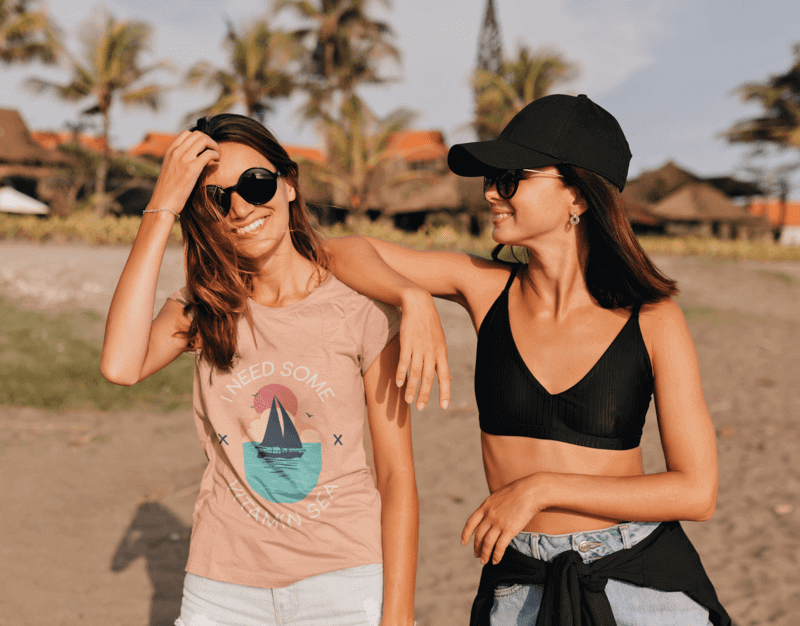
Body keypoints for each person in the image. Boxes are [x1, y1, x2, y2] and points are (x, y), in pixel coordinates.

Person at [325, 94, 731, 625]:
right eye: (492, 178)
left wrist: (541, 488)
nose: (492, 192)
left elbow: (697, 491)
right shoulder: (484, 289)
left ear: (577, 196)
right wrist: (411, 296)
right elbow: (338, 250)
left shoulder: (652, 318)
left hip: (638, 577)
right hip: (521, 581)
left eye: (513, 177)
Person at [101, 113, 420, 626]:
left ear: (289, 184)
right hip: (221, 588)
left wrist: (399, 611)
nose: (242, 207)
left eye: (256, 183)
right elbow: (119, 366)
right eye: (217, 197)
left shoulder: (361, 309)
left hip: (343, 583)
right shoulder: (204, 308)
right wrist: (162, 208)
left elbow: (396, 475)